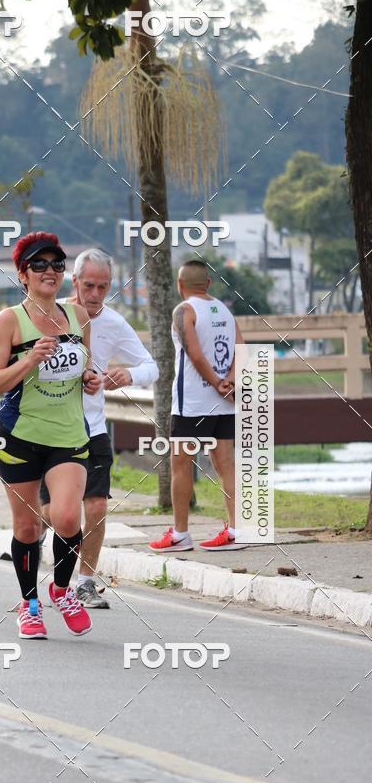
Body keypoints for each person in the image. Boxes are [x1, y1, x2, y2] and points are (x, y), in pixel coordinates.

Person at [0, 231, 101, 639]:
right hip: (19, 436)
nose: (50, 271)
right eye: (39, 264)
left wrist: (90, 378)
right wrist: (30, 359)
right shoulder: (9, 320)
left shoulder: (78, 316)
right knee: (28, 528)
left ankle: (62, 590)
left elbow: (84, 365)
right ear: (23, 274)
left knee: (67, 516)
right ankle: (29, 604)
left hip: (68, 435)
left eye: (56, 264)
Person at [41, 248, 159, 608]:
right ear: (73, 281)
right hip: (49, 430)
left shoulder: (113, 322)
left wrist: (129, 375)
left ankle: (85, 582)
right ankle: (40, 536)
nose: (94, 295)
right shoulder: (49, 315)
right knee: (54, 514)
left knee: (95, 508)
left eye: (103, 287)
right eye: (88, 285)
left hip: (91, 429)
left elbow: (150, 366)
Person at [149, 259, 247, 552]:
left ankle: (180, 534)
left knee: (180, 465)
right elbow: (242, 350)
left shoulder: (184, 310)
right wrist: (228, 381)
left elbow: (193, 353)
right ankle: (235, 530)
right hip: (224, 404)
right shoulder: (226, 311)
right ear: (208, 284)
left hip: (191, 403)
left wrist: (216, 382)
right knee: (226, 465)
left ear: (180, 286)